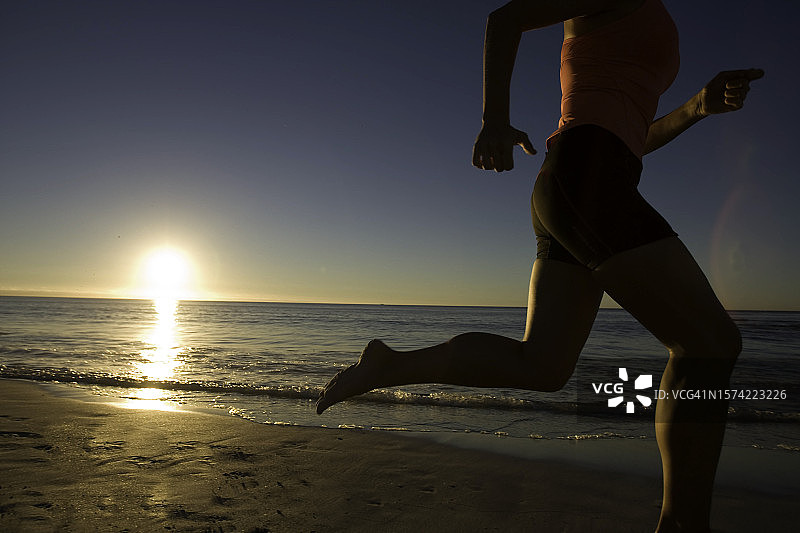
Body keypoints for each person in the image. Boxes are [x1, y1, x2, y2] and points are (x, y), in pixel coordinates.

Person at [316, 1, 763, 531]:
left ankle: (390, 365)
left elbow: (633, 137)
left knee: (545, 366)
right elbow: (505, 19)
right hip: (586, 178)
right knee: (709, 343)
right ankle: (684, 525)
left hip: (588, 179)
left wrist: (695, 108)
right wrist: (494, 121)